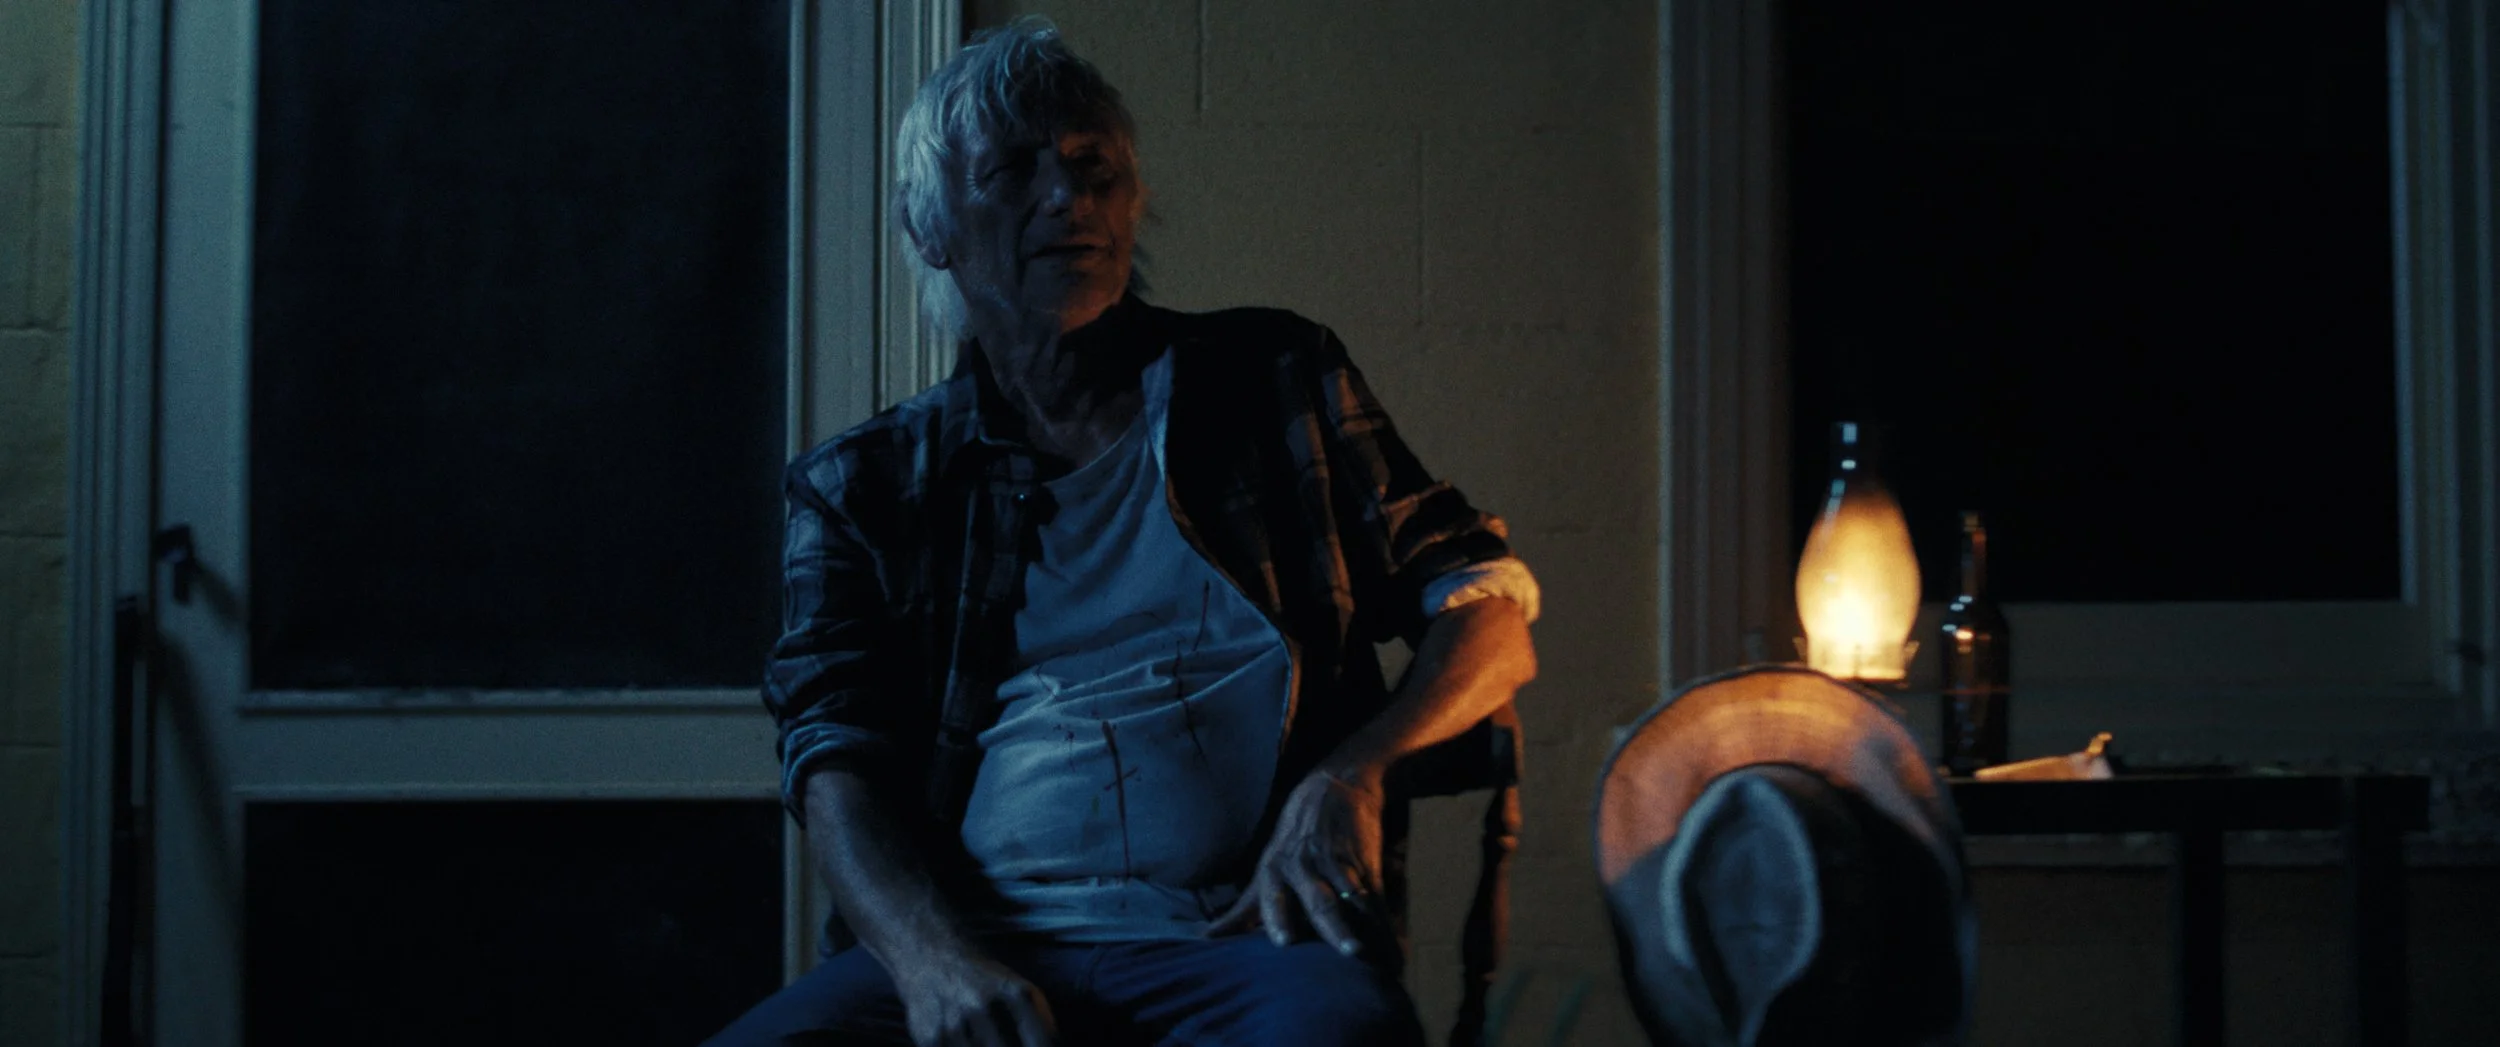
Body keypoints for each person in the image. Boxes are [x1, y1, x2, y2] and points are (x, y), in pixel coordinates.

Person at [707, 18, 1541, 1047]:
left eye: (1092, 165)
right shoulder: (864, 485)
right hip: (976, 941)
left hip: (1241, 938)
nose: (1068, 197)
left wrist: (1353, 770)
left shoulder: (1271, 380)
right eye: (1015, 170)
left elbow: (1486, 606)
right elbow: (833, 761)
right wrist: (932, 965)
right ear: (932, 229)